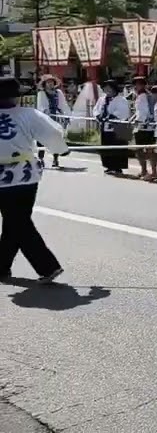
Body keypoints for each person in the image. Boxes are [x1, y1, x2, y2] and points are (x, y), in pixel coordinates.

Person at [0, 76, 71, 283]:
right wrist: (62, 151)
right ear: (17, 97)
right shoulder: (29, 115)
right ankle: (2, 266)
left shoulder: (28, 114)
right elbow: (53, 134)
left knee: (16, 221)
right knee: (16, 220)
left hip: (6, 179)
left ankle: (48, 267)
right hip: (25, 176)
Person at [93, 79, 131, 175]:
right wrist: (98, 115)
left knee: (117, 146)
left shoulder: (121, 99)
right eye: (105, 88)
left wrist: (111, 116)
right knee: (106, 146)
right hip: (105, 126)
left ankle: (118, 167)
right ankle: (109, 166)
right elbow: (96, 109)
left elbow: (123, 112)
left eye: (109, 88)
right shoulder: (102, 99)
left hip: (117, 127)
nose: (107, 90)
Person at [34, 74, 68, 170]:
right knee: (41, 140)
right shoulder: (42, 94)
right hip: (44, 119)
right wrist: (47, 113)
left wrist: (65, 115)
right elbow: (41, 106)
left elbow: (63, 105)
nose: (50, 84)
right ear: (44, 84)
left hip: (56, 118)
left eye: (52, 82)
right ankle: (41, 158)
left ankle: (55, 159)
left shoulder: (58, 93)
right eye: (48, 83)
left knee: (56, 138)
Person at [131, 76, 157, 180]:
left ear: (143, 85)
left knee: (141, 150)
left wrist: (136, 121)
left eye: (138, 84)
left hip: (143, 126)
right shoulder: (148, 95)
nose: (136, 86)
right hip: (150, 125)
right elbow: (139, 111)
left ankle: (148, 171)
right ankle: (148, 171)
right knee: (149, 150)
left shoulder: (142, 96)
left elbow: (142, 112)